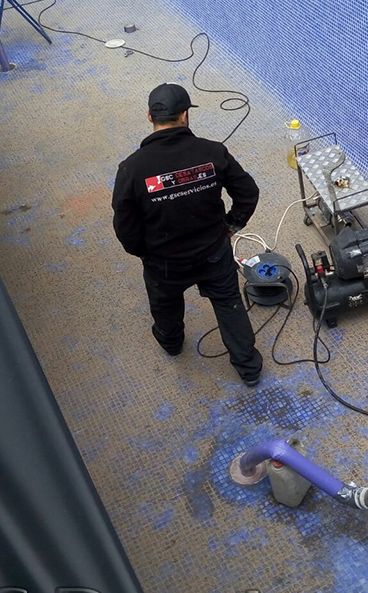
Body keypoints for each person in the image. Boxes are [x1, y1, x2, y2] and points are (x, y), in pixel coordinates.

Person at [112, 83, 263, 385]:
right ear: (184, 115)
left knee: (165, 305)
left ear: (149, 117)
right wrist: (229, 228)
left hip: (164, 263)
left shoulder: (132, 168)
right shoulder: (213, 152)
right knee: (228, 303)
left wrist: (145, 252)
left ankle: (171, 343)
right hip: (214, 253)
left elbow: (125, 227)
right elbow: (248, 193)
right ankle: (249, 368)